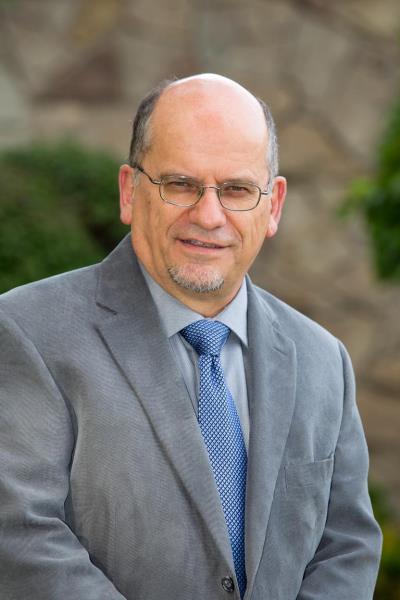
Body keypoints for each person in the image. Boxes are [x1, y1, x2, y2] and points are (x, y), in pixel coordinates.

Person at [0, 74, 381, 600]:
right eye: (180, 184)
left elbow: (347, 546)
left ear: (273, 205)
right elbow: (20, 535)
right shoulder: (27, 333)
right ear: (130, 192)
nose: (208, 215)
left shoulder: (323, 361)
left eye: (237, 190)